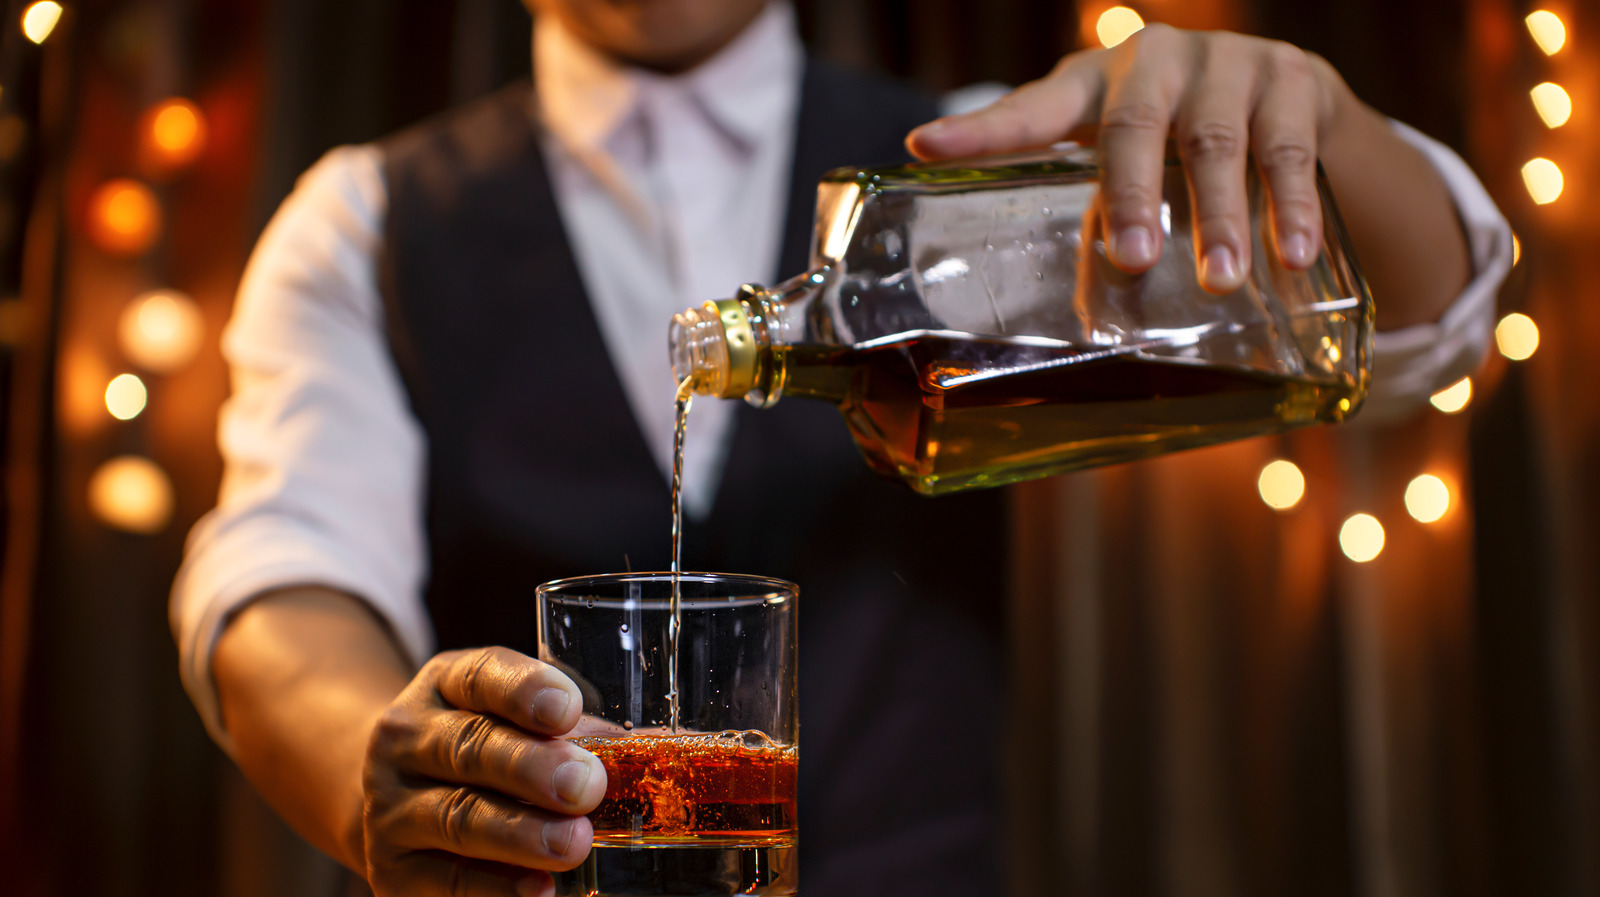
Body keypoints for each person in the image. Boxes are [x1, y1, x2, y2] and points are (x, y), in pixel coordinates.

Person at [171, 1, 1510, 895]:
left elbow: (1415, 342)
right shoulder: (364, 218)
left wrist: (1320, 121)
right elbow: (283, 569)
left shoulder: (977, 165)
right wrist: (376, 775)